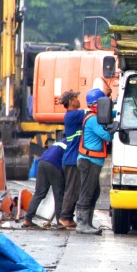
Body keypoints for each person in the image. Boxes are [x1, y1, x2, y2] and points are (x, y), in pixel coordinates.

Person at [75, 88, 118, 235]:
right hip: (89, 161)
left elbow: (111, 113)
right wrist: (113, 129)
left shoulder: (95, 116)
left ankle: (88, 223)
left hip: (92, 161)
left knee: (94, 192)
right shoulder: (93, 119)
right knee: (87, 192)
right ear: (96, 104)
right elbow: (106, 136)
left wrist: (119, 109)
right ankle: (82, 224)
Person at [22, 140, 67, 228]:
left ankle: (27, 220)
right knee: (59, 195)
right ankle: (60, 222)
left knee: (39, 193)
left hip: (42, 162)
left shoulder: (61, 141)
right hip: (54, 165)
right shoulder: (74, 143)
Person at [59, 89, 85, 229]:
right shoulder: (73, 115)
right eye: (75, 98)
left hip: (72, 159)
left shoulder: (73, 115)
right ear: (70, 102)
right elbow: (93, 112)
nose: (78, 100)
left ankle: (68, 217)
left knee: (75, 188)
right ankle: (65, 217)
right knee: (72, 190)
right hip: (71, 159)